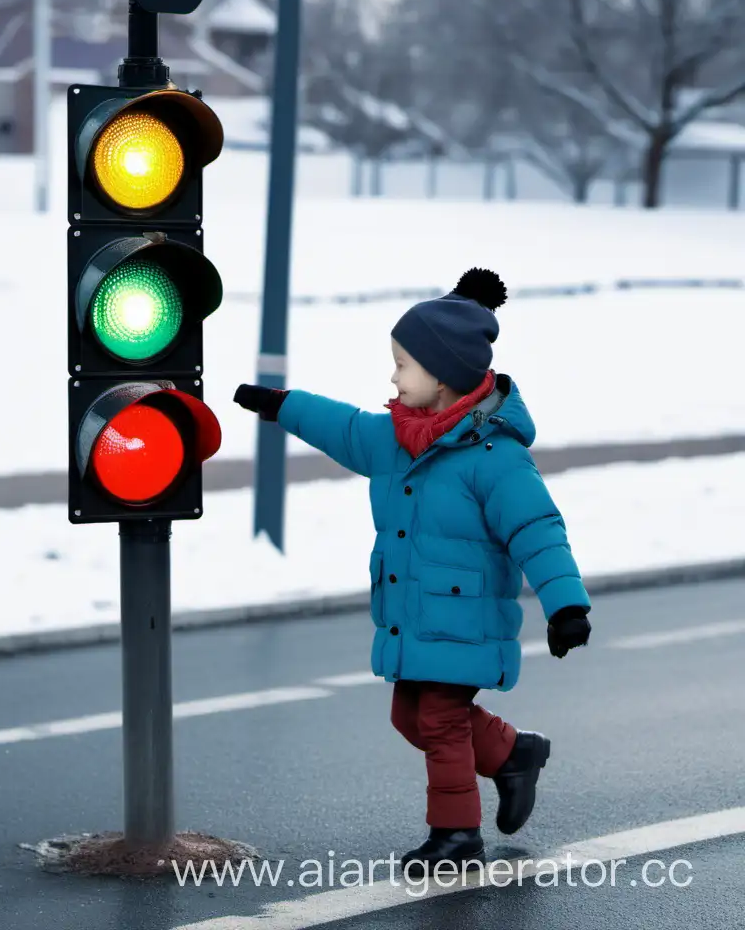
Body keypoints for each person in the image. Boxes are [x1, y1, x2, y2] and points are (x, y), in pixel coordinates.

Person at [234, 268, 591, 876]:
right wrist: (281, 406)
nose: (393, 377)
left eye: (403, 365)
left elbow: (538, 529)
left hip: (465, 617)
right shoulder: (393, 438)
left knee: (440, 720)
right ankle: (513, 754)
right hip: (413, 617)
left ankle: (456, 835)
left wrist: (566, 605)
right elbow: (341, 425)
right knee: (409, 716)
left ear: (444, 377)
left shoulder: (495, 456)